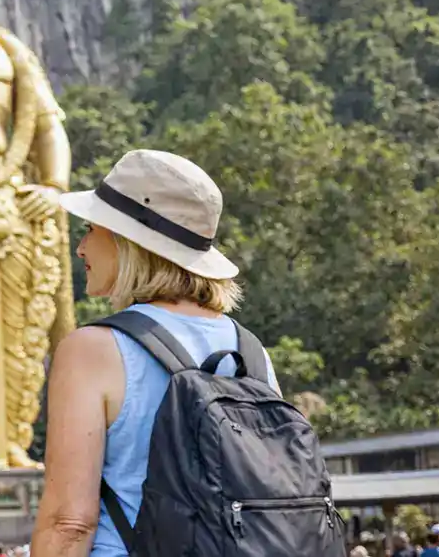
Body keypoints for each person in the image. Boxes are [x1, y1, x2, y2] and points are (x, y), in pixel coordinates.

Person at [30, 149, 279, 557]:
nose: (80, 248)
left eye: (91, 229)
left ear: (128, 242)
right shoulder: (249, 350)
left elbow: (70, 523)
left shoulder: (92, 349)